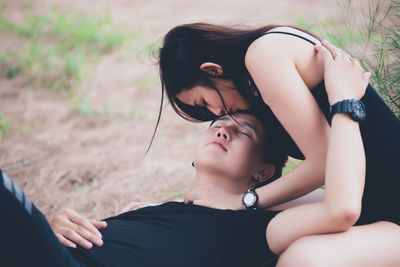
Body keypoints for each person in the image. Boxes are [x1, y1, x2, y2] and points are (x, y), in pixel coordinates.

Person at [2, 50, 400, 267]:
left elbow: (345, 205)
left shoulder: (251, 229)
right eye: (217, 124)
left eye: (245, 131)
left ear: (263, 173)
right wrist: (51, 226)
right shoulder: (150, 209)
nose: (223, 128)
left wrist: (343, 102)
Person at [156, 23, 400, 226]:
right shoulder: (256, 79)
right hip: (366, 197)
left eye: (204, 102)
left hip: (390, 202)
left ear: (212, 70)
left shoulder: (264, 55)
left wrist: (242, 201)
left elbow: (323, 162)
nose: (216, 113)